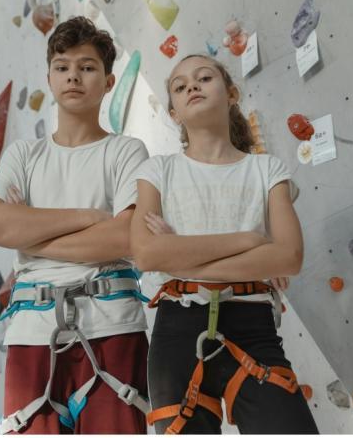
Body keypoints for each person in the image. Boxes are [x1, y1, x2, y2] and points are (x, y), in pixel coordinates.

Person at [0, 17, 150, 434]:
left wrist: (33, 237)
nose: (73, 75)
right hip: (31, 332)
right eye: (62, 66)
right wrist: (87, 218)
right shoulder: (24, 154)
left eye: (87, 67)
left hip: (113, 325)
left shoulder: (126, 152)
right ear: (49, 78)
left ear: (109, 82)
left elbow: (128, 236)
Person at [131, 54, 318, 434]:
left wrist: (180, 257)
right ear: (173, 112)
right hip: (176, 332)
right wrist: (250, 243)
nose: (193, 87)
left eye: (203, 78)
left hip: (252, 326)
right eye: (180, 87)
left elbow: (289, 256)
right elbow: (147, 253)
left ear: (231, 93)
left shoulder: (267, 169)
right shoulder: (157, 171)